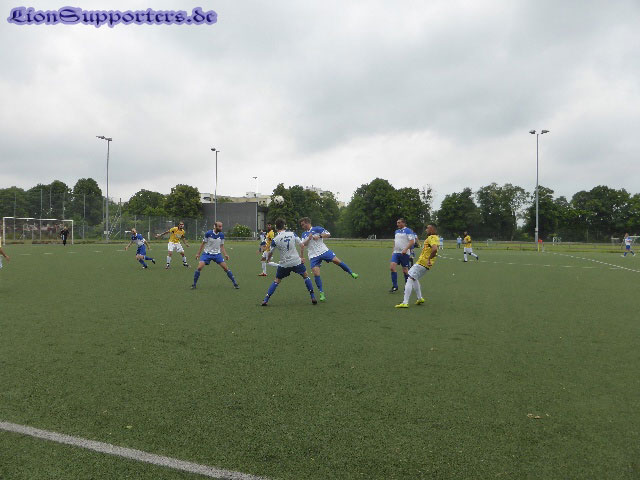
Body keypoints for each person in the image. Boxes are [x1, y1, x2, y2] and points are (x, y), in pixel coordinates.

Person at [299, 217, 358, 302]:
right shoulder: (304, 234)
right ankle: (321, 293)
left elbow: (328, 234)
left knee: (336, 261)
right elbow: (303, 244)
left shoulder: (317, 228)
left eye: (303, 224)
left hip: (324, 251)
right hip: (313, 256)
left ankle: (351, 273)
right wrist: (309, 238)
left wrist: (319, 236)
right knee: (316, 273)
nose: (302, 226)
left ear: (307, 223)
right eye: (301, 225)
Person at [261, 218, 317, 306]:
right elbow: (302, 245)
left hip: (284, 264)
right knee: (305, 276)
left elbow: (270, 252)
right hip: (296, 261)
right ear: (284, 226)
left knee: (276, 281)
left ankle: (266, 299)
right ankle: (313, 296)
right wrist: (301, 257)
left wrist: (268, 259)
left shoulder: (275, 239)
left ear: (276, 227)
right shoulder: (292, 234)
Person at [396, 224, 439, 308]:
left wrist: (429, 259)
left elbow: (434, 249)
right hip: (424, 263)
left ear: (432, 229)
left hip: (423, 262)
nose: (426, 230)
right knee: (414, 278)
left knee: (409, 278)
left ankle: (405, 302)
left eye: (427, 228)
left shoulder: (432, 237)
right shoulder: (436, 237)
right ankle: (420, 298)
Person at [191, 221, 239, 289]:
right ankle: (194, 284)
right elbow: (203, 243)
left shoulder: (221, 235)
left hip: (217, 254)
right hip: (207, 254)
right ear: (215, 226)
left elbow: (222, 246)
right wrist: (198, 254)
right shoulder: (208, 233)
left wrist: (225, 254)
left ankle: (235, 283)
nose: (221, 228)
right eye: (219, 226)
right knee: (199, 268)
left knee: (226, 268)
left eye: (221, 226)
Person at [389, 218, 415, 292]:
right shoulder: (396, 231)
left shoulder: (408, 230)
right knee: (392, 268)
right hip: (396, 253)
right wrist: (393, 250)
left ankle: (407, 286)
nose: (397, 224)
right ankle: (395, 286)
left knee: (405, 271)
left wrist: (406, 249)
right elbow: (395, 241)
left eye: (399, 222)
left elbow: (412, 241)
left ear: (403, 223)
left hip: (404, 253)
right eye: (397, 222)